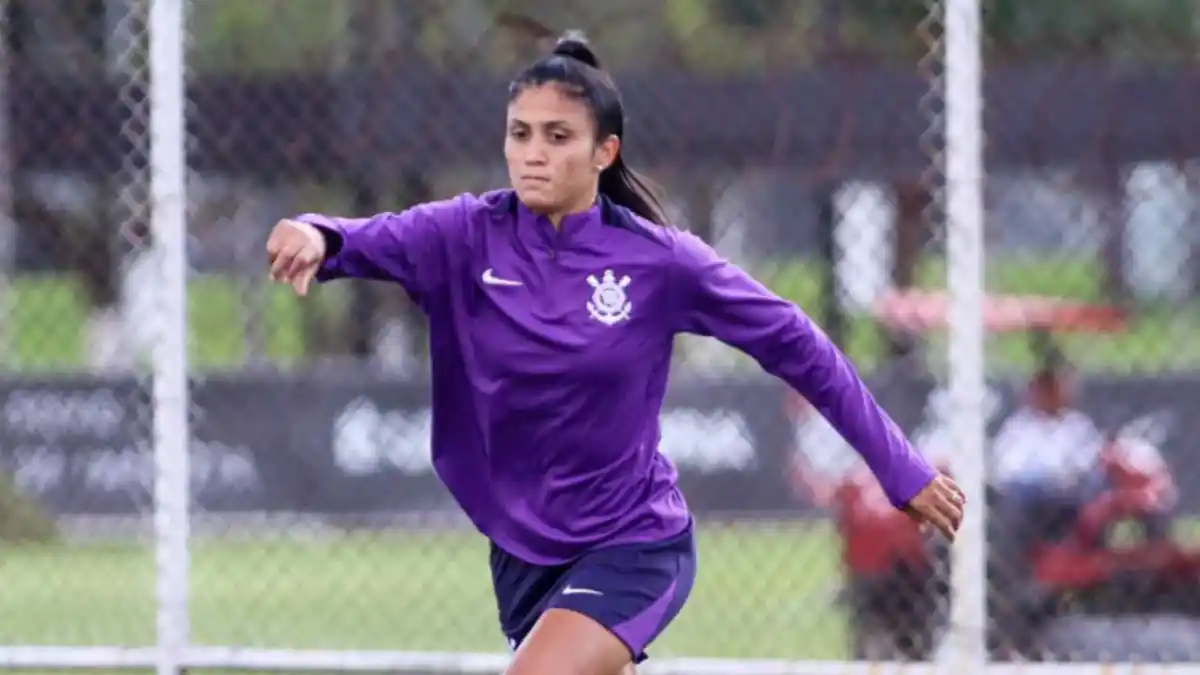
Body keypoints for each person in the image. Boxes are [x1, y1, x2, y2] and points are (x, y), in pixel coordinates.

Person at [265, 32, 965, 675]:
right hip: (523, 553)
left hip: (635, 542)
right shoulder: (464, 235)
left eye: (557, 136)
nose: (532, 152)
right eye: (520, 134)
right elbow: (359, 236)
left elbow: (797, 344)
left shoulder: (659, 262)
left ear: (605, 151)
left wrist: (898, 466)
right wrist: (313, 233)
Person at [990, 346, 1106, 543]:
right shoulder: (1019, 425)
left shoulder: (1077, 425)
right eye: (1041, 389)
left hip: (1064, 494)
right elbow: (1006, 467)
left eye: (1053, 389)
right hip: (1026, 494)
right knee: (1018, 499)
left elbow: (1088, 462)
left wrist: (1066, 478)